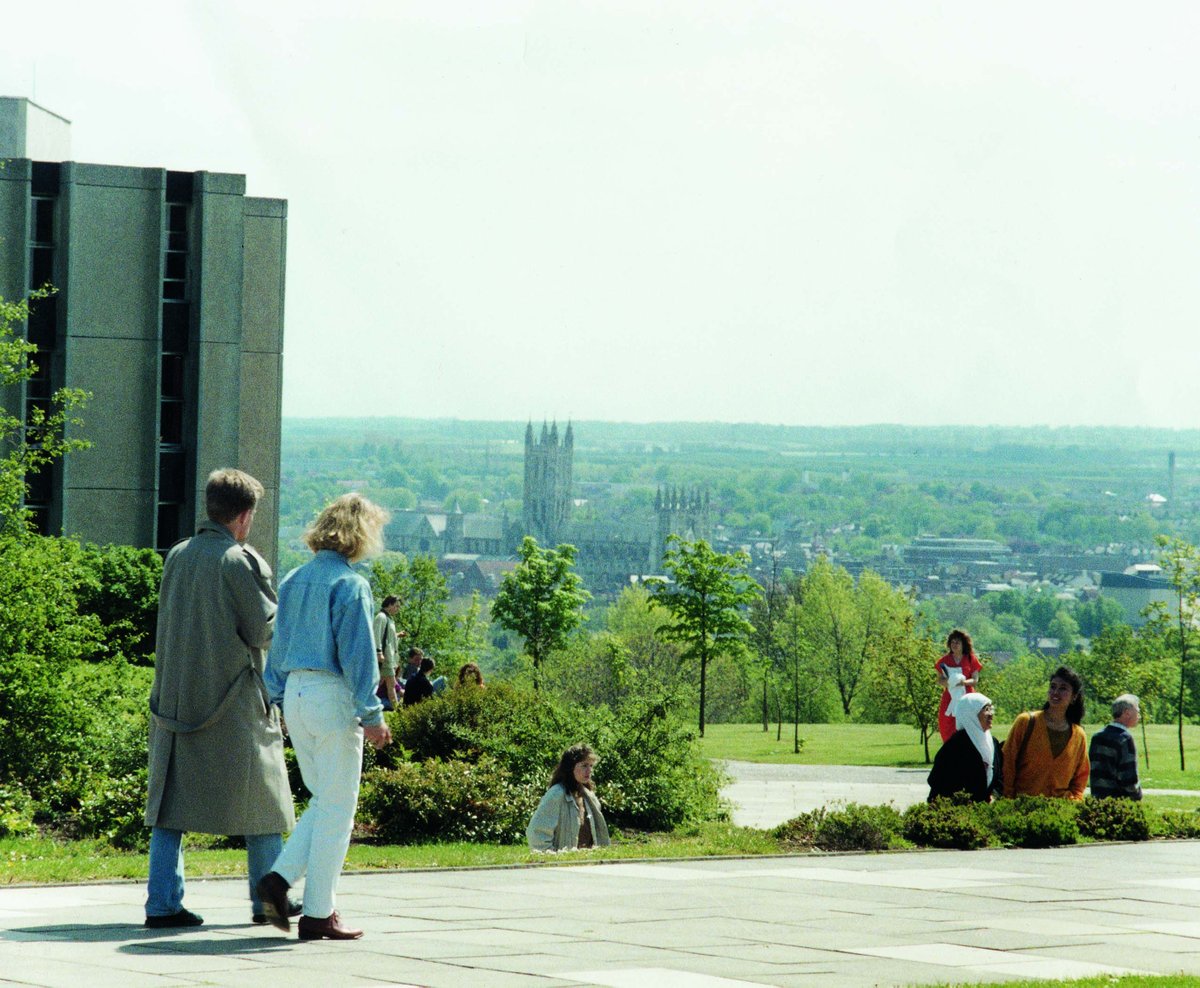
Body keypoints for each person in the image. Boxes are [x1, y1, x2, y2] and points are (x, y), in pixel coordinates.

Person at [143, 468, 295, 929]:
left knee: (170, 808)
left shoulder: (178, 555)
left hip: (175, 701)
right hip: (233, 702)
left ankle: (162, 903)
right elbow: (264, 630)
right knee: (265, 804)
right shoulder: (240, 560)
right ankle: (269, 905)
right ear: (245, 516)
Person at [257, 493, 393, 941]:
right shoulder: (350, 585)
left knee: (324, 802)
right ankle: (311, 907)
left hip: (295, 691)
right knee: (339, 809)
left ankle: (293, 891)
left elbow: (276, 647)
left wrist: (278, 700)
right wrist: (371, 713)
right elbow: (358, 657)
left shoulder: (295, 579)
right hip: (331, 695)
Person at [1002, 666, 1089, 801]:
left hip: (1060, 811)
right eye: (1053, 687)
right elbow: (1007, 763)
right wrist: (1008, 799)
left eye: (1063, 688)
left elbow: (1080, 779)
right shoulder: (1026, 722)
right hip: (1022, 807)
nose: (1055, 692)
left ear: (1074, 697)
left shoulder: (1078, 735)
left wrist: (1074, 802)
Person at [526, 744, 611, 852]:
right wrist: (551, 857)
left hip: (585, 863)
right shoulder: (556, 794)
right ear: (571, 767)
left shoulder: (589, 797)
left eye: (591, 766)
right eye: (584, 765)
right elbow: (536, 833)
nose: (589, 770)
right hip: (561, 865)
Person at [927, 693, 1002, 803]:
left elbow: (1000, 775)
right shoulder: (956, 745)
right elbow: (937, 780)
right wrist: (962, 800)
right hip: (957, 812)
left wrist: (994, 795)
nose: (991, 714)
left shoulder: (993, 743)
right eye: (986, 709)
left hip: (983, 811)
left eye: (991, 709)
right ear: (970, 713)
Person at [1089, 694, 1143, 800]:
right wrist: (1137, 796)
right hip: (1118, 803)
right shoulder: (1124, 739)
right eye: (1137, 711)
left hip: (1097, 800)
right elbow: (1128, 778)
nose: (1139, 716)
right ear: (1127, 713)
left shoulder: (1097, 737)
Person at [936, 629, 982, 742]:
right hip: (950, 697)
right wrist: (949, 682)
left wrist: (963, 682)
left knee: (968, 723)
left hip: (967, 696)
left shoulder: (971, 658)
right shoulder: (944, 661)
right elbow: (939, 680)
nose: (954, 645)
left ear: (963, 644)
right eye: (952, 642)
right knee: (948, 724)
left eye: (957, 642)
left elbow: (975, 679)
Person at [373, 595, 404, 709]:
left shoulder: (389, 619)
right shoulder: (381, 617)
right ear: (389, 604)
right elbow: (376, 635)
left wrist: (398, 635)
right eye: (396, 606)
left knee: (378, 684)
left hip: (388, 657)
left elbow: (388, 638)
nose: (397, 609)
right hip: (384, 658)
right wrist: (378, 652)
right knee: (391, 684)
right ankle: (397, 709)